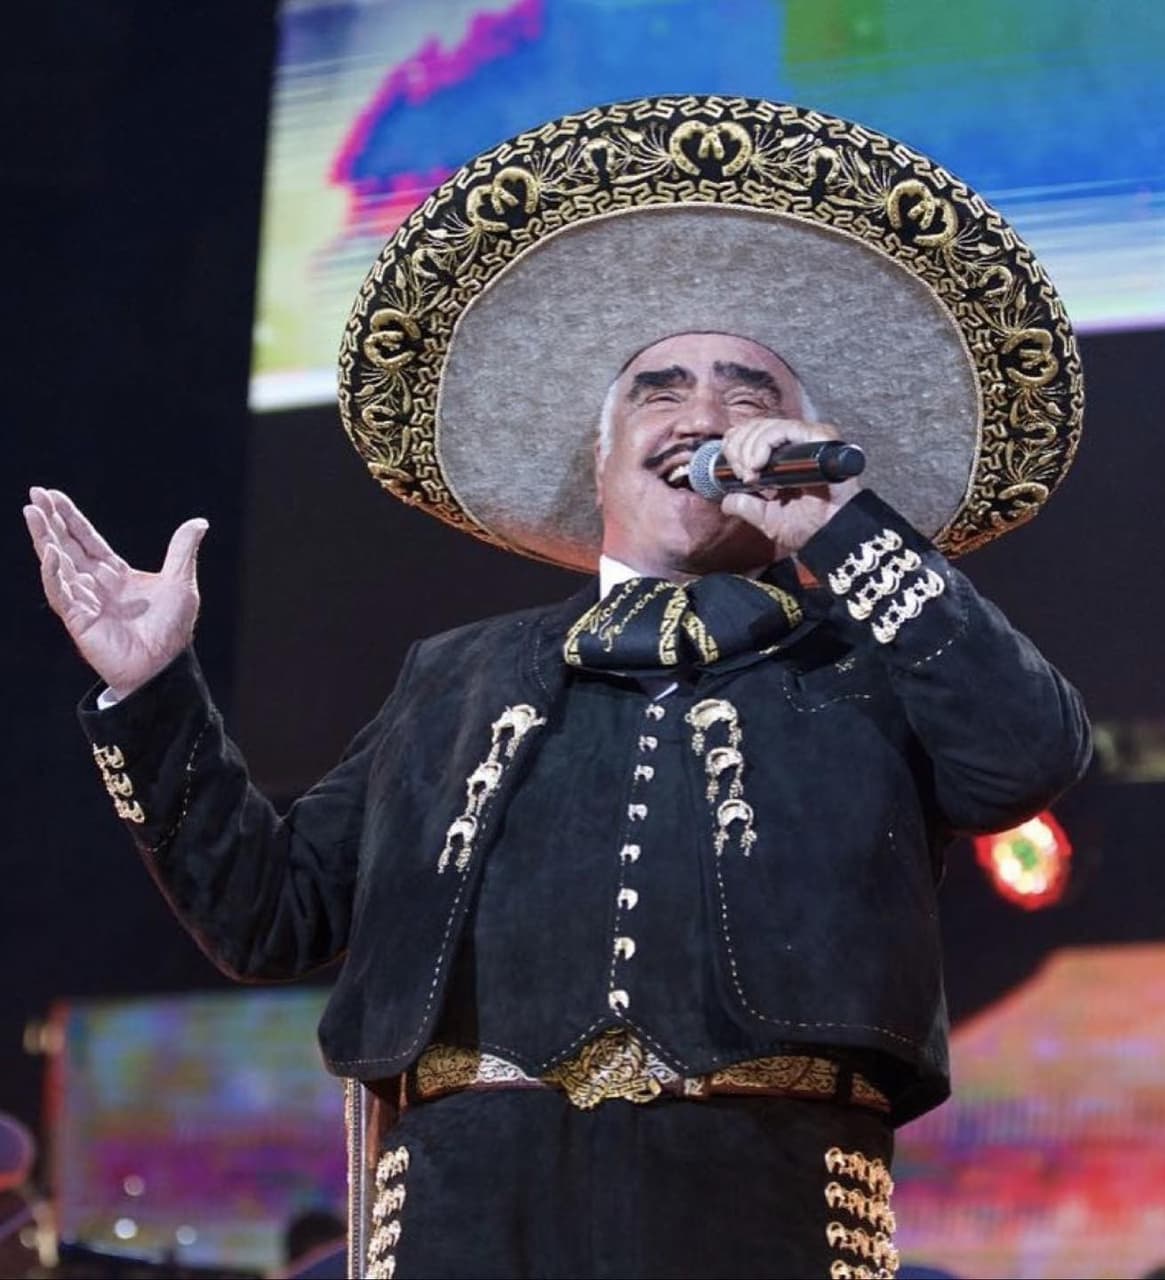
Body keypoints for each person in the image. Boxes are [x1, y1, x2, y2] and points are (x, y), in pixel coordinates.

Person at [25, 96, 1091, 1280]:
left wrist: (840, 526)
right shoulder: (456, 672)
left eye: (747, 395)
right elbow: (270, 915)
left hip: (762, 1203)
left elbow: (1026, 758)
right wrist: (156, 689)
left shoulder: (863, 654)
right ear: (598, 454)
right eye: (660, 387)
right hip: (466, 1210)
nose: (704, 414)